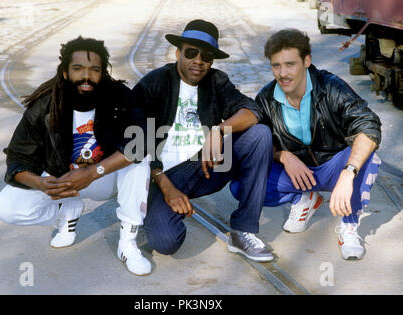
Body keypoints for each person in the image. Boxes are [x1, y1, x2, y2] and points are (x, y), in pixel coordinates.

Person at [0, 36, 152, 275]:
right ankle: (67, 210)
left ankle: (127, 244)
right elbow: (17, 157)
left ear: (103, 73)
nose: (86, 76)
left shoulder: (120, 98)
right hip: (62, 181)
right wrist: (41, 184)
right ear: (65, 72)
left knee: (140, 162)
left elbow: (139, 144)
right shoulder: (45, 106)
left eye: (94, 69)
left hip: (103, 179)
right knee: (7, 208)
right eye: (78, 68)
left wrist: (92, 172)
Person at [231, 29, 382, 260]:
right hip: (299, 173)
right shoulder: (267, 97)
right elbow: (257, 139)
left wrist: (348, 173)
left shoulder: (330, 87)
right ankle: (303, 199)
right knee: (240, 185)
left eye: (290, 64)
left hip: (334, 166)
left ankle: (348, 227)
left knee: (367, 153)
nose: (283, 74)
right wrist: (282, 155)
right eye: (276, 66)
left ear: (307, 61)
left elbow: (369, 124)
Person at [133, 19, 274, 262]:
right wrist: (166, 187)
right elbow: (134, 141)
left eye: (206, 56)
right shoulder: (155, 83)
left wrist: (219, 131)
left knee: (259, 135)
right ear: (178, 53)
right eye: (191, 52)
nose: (198, 60)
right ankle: (145, 211)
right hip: (161, 175)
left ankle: (243, 230)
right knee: (166, 242)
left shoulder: (216, 81)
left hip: (207, 166)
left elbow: (252, 110)